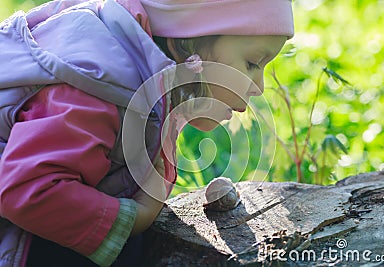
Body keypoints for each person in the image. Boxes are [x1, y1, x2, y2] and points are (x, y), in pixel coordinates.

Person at [0, 0, 293, 266]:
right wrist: (134, 219)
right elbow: (27, 190)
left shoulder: (148, 81)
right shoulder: (101, 86)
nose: (259, 87)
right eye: (253, 63)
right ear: (186, 45)